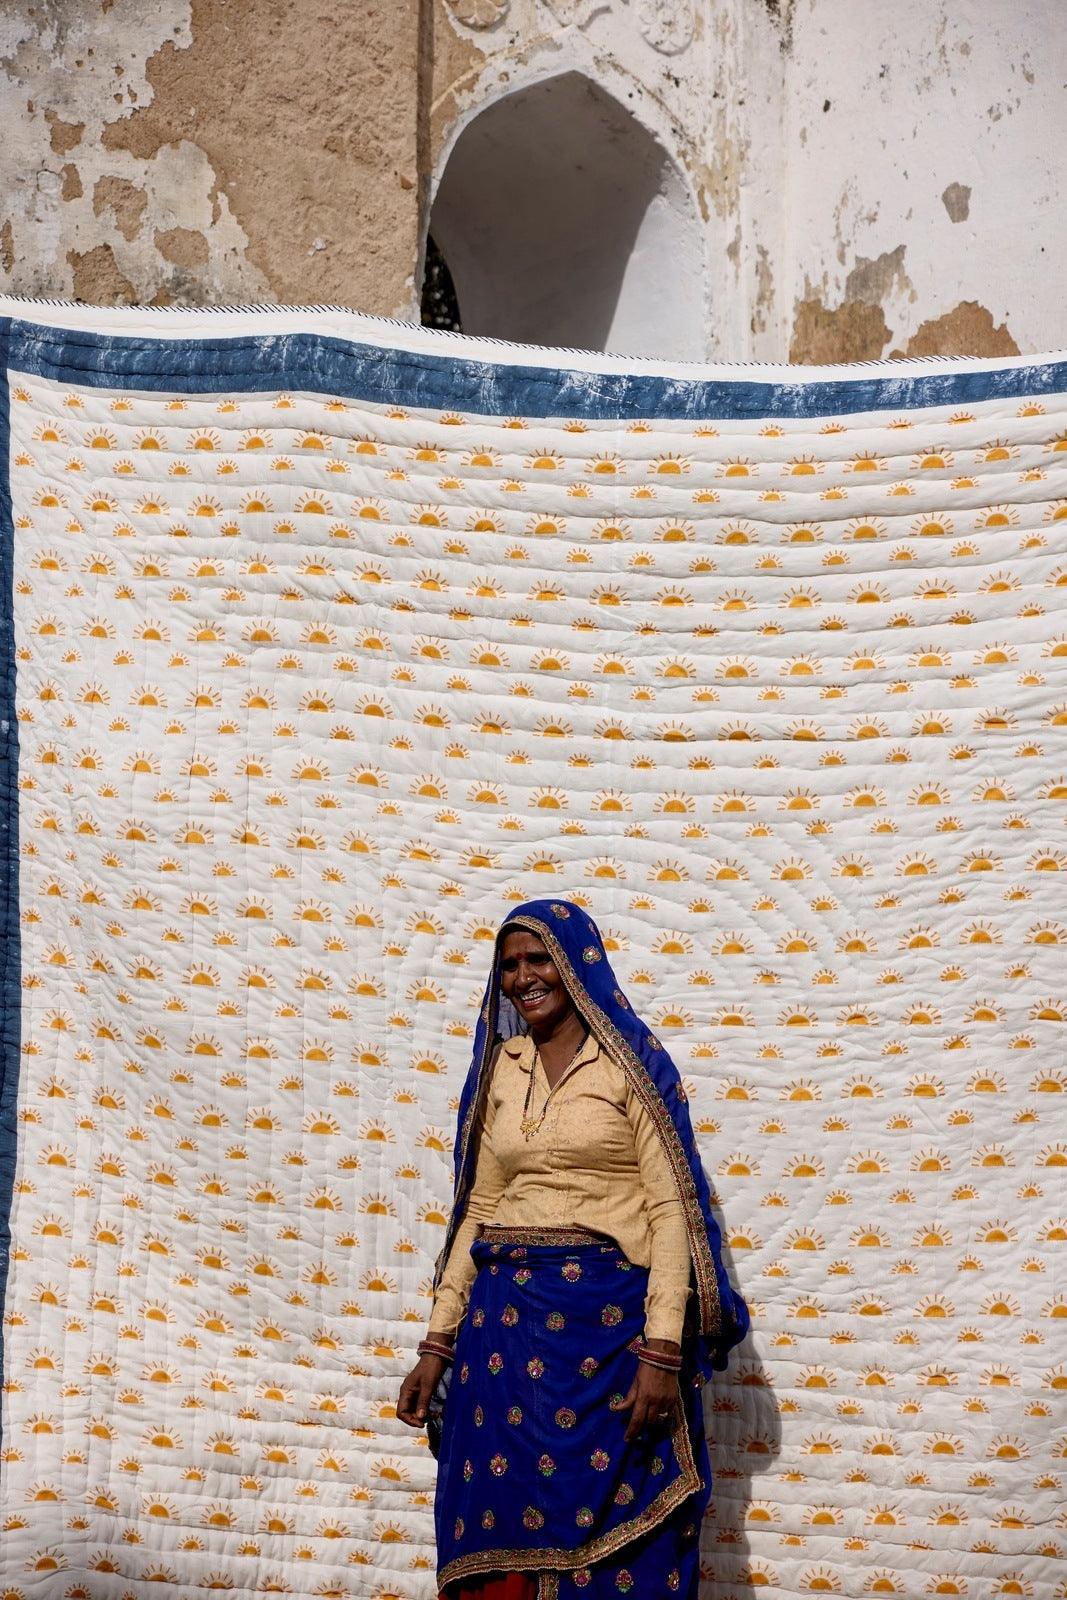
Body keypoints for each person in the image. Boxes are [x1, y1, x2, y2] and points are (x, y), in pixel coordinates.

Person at [397, 897, 749, 1599]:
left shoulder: (632, 1065)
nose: (523, 977)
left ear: (578, 964)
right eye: (509, 965)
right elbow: (479, 1209)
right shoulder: (501, 1067)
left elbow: (670, 1209)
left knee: (623, 1524)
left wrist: (661, 1350)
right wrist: (436, 1343)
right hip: (500, 1334)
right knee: (498, 1518)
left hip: (607, 1333)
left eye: (539, 959)